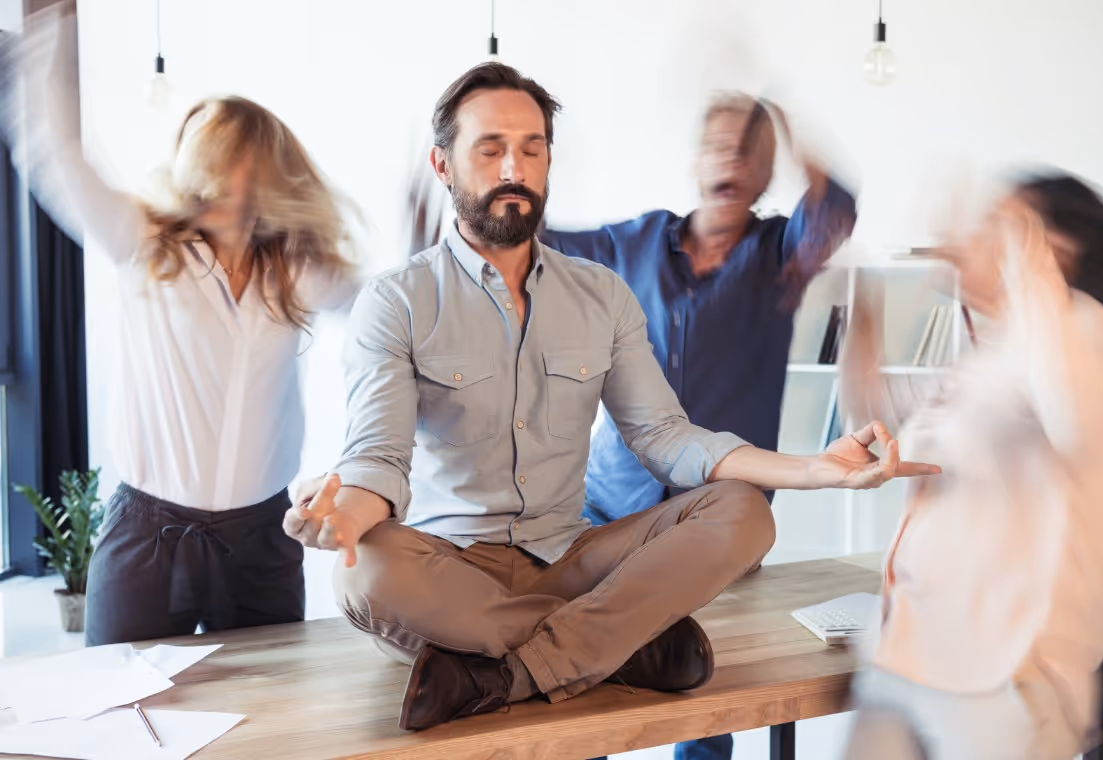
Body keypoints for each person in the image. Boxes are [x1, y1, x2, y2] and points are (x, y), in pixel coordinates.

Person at [285, 61, 936, 733]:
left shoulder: (603, 292)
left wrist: (811, 470)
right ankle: (624, 645)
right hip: (452, 564)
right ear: (443, 164)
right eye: (490, 147)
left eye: (532, 147)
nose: (514, 166)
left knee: (745, 513)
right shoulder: (396, 301)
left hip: (571, 557)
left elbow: (665, 436)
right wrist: (343, 513)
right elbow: (377, 458)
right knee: (362, 577)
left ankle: (504, 671)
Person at [0, 7, 366, 645]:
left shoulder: (294, 270)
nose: (233, 182)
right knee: (120, 709)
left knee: (269, 716)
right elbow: (59, 159)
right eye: (221, 163)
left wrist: (430, 243)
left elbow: (381, 305)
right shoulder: (145, 244)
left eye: (246, 166)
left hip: (261, 538)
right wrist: (50, 36)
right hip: (149, 535)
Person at [538, 94, 857, 760]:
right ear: (694, 160)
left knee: (709, 688)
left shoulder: (781, 254)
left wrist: (783, 119)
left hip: (719, 523)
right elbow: (540, 242)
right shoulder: (633, 242)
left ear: (769, 175)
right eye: (718, 145)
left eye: (749, 151)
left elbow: (838, 206)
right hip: (610, 505)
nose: (731, 160)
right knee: (578, 669)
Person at [840, 174, 1103, 760]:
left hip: (1003, 679)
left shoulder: (1089, 333)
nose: (968, 240)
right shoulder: (995, 354)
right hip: (910, 658)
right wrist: (863, 313)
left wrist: (1027, 262)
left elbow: (1074, 424)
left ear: (1049, 248)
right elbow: (886, 425)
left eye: (997, 225)